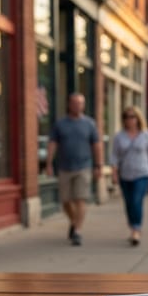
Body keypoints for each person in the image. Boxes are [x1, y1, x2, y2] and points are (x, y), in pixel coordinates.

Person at [46, 93, 102, 246]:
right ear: (69, 104)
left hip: (83, 166)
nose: (78, 106)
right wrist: (49, 163)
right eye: (75, 103)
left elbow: (96, 146)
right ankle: (74, 221)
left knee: (80, 199)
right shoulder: (60, 124)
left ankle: (77, 231)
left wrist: (98, 165)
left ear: (83, 106)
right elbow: (52, 143)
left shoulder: (90, 124)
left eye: (81, 103)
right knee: (65, 201)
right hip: (64, 167)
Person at [111, 107, 148, 246]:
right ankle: (132, 225)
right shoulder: (119, 136)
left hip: (143, 173)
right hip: (125, 174)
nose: (130, 120)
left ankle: (136, 230)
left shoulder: (146, 135)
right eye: (126, 117)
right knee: (128, 203)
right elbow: (114, 156)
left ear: (138, 118)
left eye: (132, 117)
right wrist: (114, 173)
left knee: (136, 200)